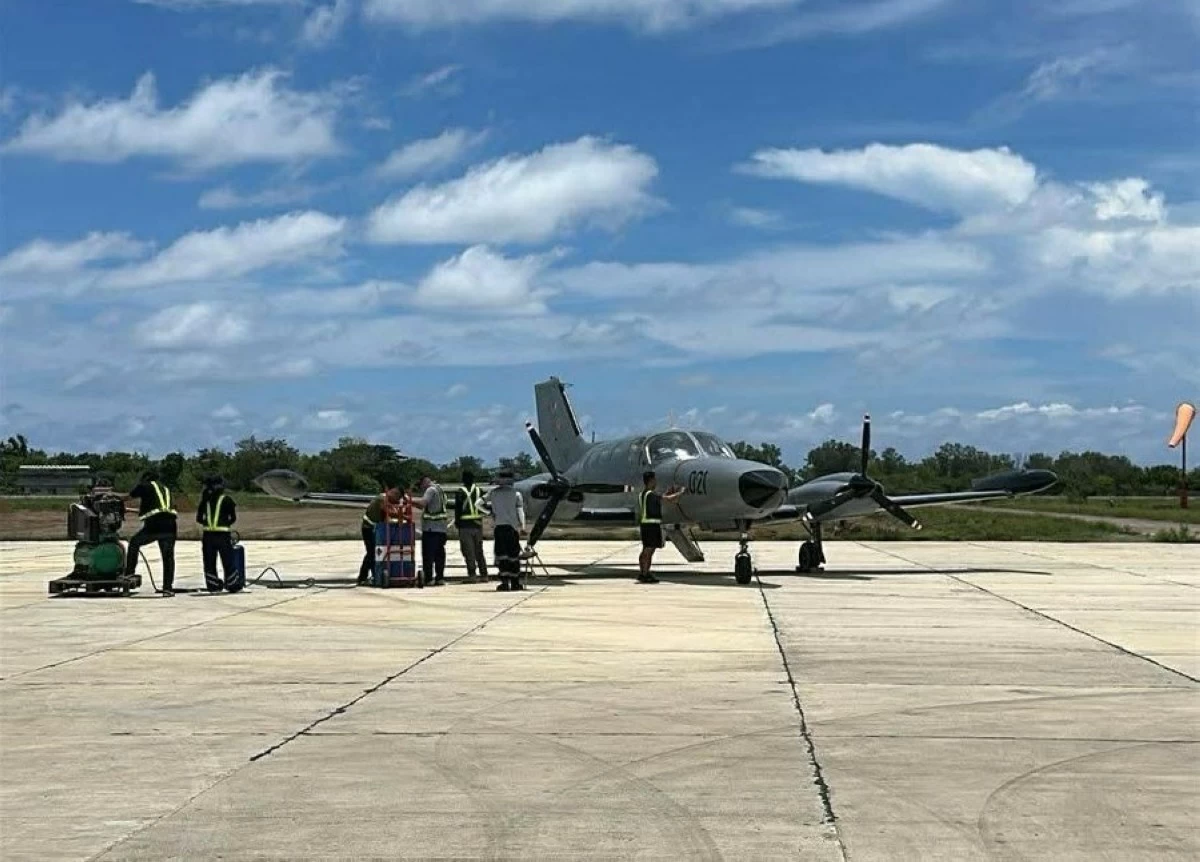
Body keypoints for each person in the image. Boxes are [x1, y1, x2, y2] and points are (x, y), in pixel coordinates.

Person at [123, 469, 179, 596]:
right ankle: (167, 588)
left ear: (146, 478)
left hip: (155, 525)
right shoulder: (165, 489)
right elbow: (154, 508)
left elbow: (128, 496)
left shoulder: (145, 486)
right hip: (170, 525)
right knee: (168, 557)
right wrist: (129, 510)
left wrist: (111, 496)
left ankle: (129, 573)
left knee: (134, 543)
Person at [637, 470, 685, 584]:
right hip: (651, 525)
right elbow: (668, 500)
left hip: (646, 525)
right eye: (654, 480)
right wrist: (681, 493)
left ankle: (643, 572)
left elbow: (661, 498)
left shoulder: (644, 494)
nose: (656, 482)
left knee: (646, 550)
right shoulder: (650, 494)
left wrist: (668, 494)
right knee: (649, 550)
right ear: (651, 480)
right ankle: (645, 573)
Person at [196, 475, 241, 593]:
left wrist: (208, 524)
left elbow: (199, 519)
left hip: (208, 536)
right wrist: (225, 524)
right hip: (223, 535)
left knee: (209, 562)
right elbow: (233, 518)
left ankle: (213, 585)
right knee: (228, 561)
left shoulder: (205, 501)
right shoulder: (226, 500)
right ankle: (232, 584)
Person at [484, 469, 526, 591]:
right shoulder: (517, 494)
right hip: (512, 529)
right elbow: (520, 511)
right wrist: (522, 526)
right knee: (513, 556)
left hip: (499, 528)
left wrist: (490, 513)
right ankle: (515, 582)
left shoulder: (493, 493)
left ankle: (504, 582)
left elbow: (478, 504)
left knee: (502, 556)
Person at [409, 476, 448, 586]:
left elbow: (423, 503)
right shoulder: (440, 489)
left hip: (431, 528)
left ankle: (429, 578)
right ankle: (440, 578)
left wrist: (409, 500)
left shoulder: (430, 490)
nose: (421, 489)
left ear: (424, 482)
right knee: (439, 555)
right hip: (441, 528)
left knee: (428, 555)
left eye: (421, 486)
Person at [359, 487, 402, 585]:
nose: (396, 501)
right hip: (368, 528)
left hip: (374, 529)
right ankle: (362, 577)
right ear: (394, 493)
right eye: (397, 498)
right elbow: (389, 512)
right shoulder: (382, 499)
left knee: (375, 553)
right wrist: (402, 514)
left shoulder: (385, 499)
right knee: (371, 553)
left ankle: (374, 576)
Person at [454, 470, 489, 583]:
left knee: (468, 551)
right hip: (478, 524)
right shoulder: (480, 491)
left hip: (465, 525)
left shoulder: (460, 492)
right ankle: (484, 574)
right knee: (479, 550)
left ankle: (472, 575)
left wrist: (457, 522)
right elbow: (485, 506)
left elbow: (458, 509)